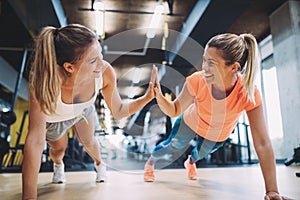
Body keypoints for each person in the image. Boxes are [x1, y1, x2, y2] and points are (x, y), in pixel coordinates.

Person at [145, 33, 289, 200]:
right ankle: (151, 162)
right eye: (204, 60)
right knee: (173, 146)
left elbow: (262, 142)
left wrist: (272, 191)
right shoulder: (197, 80)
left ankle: (191, 162)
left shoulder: (248, 93)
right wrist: (159, 97)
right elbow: (175, 109)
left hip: (217, 135)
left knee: (199, 154)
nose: (204, 67)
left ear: (234, 67)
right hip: (190, 122)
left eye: (211, 63)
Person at [22, 24, 155, 200]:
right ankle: (58, 164)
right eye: (93, 60)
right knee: (58, 149)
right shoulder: (44, 81)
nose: (102, 64)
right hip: (55, 118)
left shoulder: (105, 72)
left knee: (90, 142)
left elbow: (119, 110)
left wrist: (147, 97)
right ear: (70, 67)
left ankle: (100, 165)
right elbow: (35, 141)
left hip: (83, 111)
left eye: (100, 54)